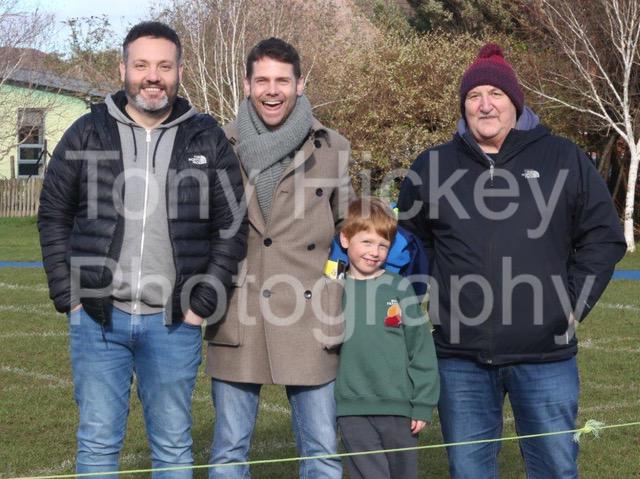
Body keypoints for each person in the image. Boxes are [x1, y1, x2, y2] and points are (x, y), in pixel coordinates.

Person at [398, 43, 626, 478]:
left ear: (515, 102)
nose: (484, 105)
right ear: (463, 106)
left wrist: (572, 304)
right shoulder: (431, 165)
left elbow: (602, 236)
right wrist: (407, 312)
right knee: (469, 471)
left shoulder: (563, 158)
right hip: (459, 358)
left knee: (555, 469)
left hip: (545, 355)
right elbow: (411, 245)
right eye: (473, 96)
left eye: (495, 94)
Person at [37, 21, 247, 478]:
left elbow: (231, 227)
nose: (153, 76)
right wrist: (70, 297)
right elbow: (53, 215)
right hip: (97, 319)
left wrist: (201, 305)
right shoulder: (86, 132)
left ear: (179, 72)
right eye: (142, 65)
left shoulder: (206, 137)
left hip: (174, 323)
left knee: (172, 448)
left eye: (164, 66)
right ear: (123, 69)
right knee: (97, 444)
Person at [204, 37, 353, 479]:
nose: (272, 90)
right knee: (229, 452)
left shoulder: (333, 147)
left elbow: (348, 229)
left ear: (299, 84)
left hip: (312, 316)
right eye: (263, 80)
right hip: (238, 312)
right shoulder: (218, 145)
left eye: (282, 81)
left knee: (322, 451)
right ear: (247, 84)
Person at [334, 197, 439, 479]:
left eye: (383, 245)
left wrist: (422, 403)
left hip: (399, 408)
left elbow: (421, 348)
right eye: (366, 242)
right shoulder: (333, 291)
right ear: (345, 239)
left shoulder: (400, 288)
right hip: (352, 408)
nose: (375, 252)